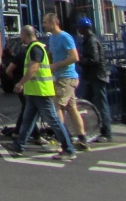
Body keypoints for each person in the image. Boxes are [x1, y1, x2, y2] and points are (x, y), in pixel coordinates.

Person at [8, 25, 78, 161]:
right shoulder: (33, 48)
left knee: (54, 121)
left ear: (25, 35)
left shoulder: (36, 48)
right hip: (34, 92)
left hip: (41, 92)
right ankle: (18, 146)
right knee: (28, 120)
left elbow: (34, 68)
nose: (20, 37)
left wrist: (20, 83)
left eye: (21, 34)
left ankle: (68, 149)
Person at [44, 13, 89, 150]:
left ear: (53, 23)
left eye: (45, 22)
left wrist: (56, 65)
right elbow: (52, 54)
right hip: (60, 77)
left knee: (56, 107)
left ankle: (61, 140)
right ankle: (82, 140)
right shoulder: (52, 38)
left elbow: (75, 57)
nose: (43, 25)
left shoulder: (65, 37)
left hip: (66, 78)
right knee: (71, 108)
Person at [76, 17, 113, 142]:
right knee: (88, 103)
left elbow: (94, 59)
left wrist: (81, 60)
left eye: (79, 27)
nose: (78, 30)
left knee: (101, 104)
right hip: (93, 76)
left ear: (83, 29)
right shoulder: (89, 39)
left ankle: (106, 133)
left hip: (97, 76)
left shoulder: (91, 40)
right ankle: (92, 130)